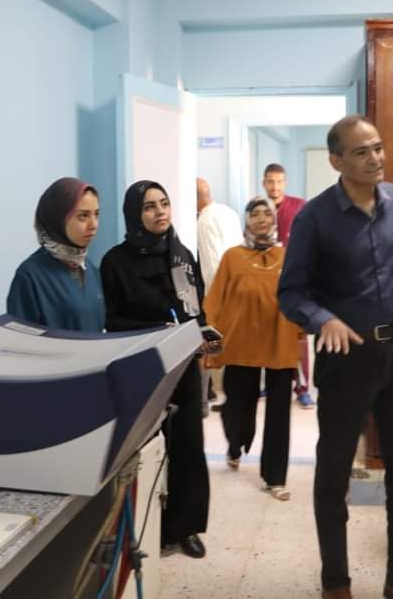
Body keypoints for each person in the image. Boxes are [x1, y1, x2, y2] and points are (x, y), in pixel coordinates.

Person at [278, 115, 393, 599]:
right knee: (334, 474)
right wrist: (323, 318)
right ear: (336, 161)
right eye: (362, 152)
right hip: (347, 358)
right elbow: (291, 293)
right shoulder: (315, 217)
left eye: (378, 147)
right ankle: (336, 582)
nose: (375, 159)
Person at [100, 180, 211, 559]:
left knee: (188, 448)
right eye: (149, 207)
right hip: (143, 371)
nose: (160, 212)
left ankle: (185, 528)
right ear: (135, 214)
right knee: (146, 451)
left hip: (183, 366)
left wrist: (203, 333)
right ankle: (147, 529)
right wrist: (154, 331)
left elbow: (196, 310)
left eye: (164, 203)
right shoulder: (115, 263)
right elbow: (111, 321)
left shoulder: (182, 256)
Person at [204, 197, 302, 501]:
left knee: (279, 412)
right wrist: (210, 337)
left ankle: (275, 476)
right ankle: (235, 443)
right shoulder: (233, 257)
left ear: (274, 220)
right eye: (255, 214)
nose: (261, 219)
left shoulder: (287, 257)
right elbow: (215, 299)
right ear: (246, 221)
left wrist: (303, 326)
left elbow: (299, 294)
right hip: (241, 341)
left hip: (279, 341)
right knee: (238, 405)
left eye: (266, 214)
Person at [6, 177, 105, 332]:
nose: (94, 225)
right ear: (58, 218)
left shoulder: (91, 269)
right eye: (83, 216)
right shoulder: (30, 276)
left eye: (96, 215)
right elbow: (20, 340)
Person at [263, 163, 315, 410]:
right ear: (264, 183)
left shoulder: (299, 206)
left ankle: (302, 388)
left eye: (279, 181)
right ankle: (271, 382)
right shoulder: (259, 208)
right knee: (268, 334)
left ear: (285, 183)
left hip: (295, 282)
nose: (275, 186)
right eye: (270, 181)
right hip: (266, 282)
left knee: (298, 337)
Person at [196, 177, 243, 412]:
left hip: (220, 294)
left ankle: (202, 402)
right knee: (233, 349)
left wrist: (213, 303)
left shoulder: (204, 220)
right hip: (240, 288)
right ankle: (233, 398)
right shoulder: (229, 212)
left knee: (208, 346)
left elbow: (212, 264)